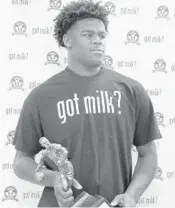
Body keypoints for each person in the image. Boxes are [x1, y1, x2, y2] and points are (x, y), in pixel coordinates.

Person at [13, 0, 162, 207]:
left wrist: (132, 195)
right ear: (67, 40)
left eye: (102, 35)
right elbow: (20, 162)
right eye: (88, 35)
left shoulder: (131, 90)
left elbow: (148, 154)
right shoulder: (40, 97)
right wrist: (54, 178)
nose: (97, 41)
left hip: (112, 204)